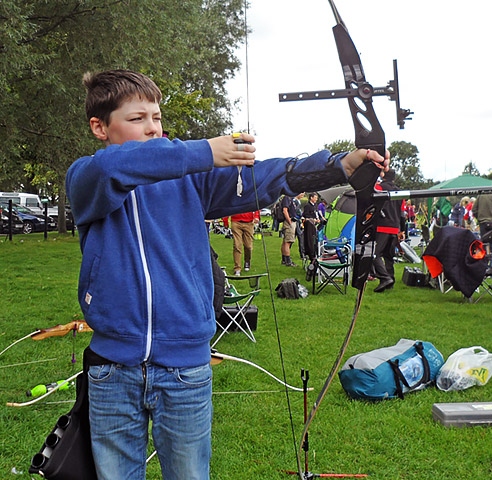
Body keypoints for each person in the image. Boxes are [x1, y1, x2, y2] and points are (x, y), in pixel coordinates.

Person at [65, 69, 389, 479]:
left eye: (157, 117)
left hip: (185, 368)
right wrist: (203, 151)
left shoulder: (188, 182)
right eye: (137, 119)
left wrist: (340, 165)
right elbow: (117, 167)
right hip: (113, 368)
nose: (153, 129)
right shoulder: (87, 177)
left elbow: (271, 177)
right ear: (99, 127)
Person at [372, 169, 404, 292]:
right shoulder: (400, 192)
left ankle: (385, 278)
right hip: (395, 227)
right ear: (394, 179)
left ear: (383, 175)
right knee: (389, 256)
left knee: (375, 254)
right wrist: (402, 229)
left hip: (382, 225)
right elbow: (402, 213)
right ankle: (390, 281)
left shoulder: (379, 188)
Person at [230, 210, 260, 275]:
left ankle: (247, 261)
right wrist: (225, 220)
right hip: (236, 222)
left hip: (249, 223)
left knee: (248, 246)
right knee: (237, 245)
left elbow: (256, 205)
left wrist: (257, 216)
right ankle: (237, 268)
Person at [281, 192, 304, 267]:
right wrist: (289, 221)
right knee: (288, 242)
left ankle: (284, 260)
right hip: (289, 222)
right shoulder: (287, 198)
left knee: (285, 241)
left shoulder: (291, 198)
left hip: (290, 221)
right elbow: (285, 210)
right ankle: (288, 261)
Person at [302, 192, 321, 264]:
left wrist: (317, 219)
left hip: (314, 224)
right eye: (315, 198)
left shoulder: (315, 206)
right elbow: (305, 215)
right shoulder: (307, 206)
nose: (316, 199)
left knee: (314, 238)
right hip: (309, 224)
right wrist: (313, 219)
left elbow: (316, 213)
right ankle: (310, 253)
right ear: (311, 198)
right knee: (309, 239)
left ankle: (314, 252)